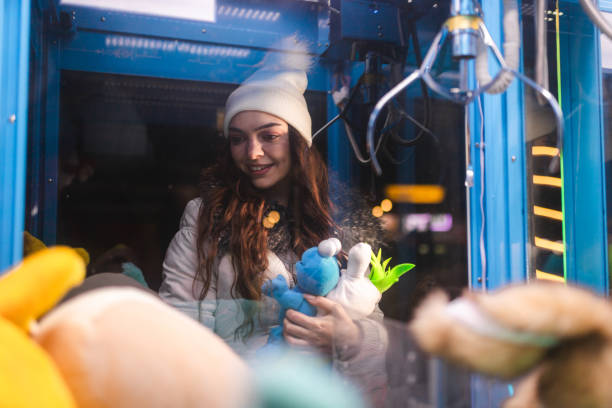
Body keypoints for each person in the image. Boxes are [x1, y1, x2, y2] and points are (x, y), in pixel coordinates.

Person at [159, 38, 388, 406]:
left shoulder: (337, 223)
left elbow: (373, 329)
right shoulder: (207, 219)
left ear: (298, 141)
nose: (252, 152)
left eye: (269, 136)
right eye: (238, 139)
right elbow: (179, 330)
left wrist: (347, 339)